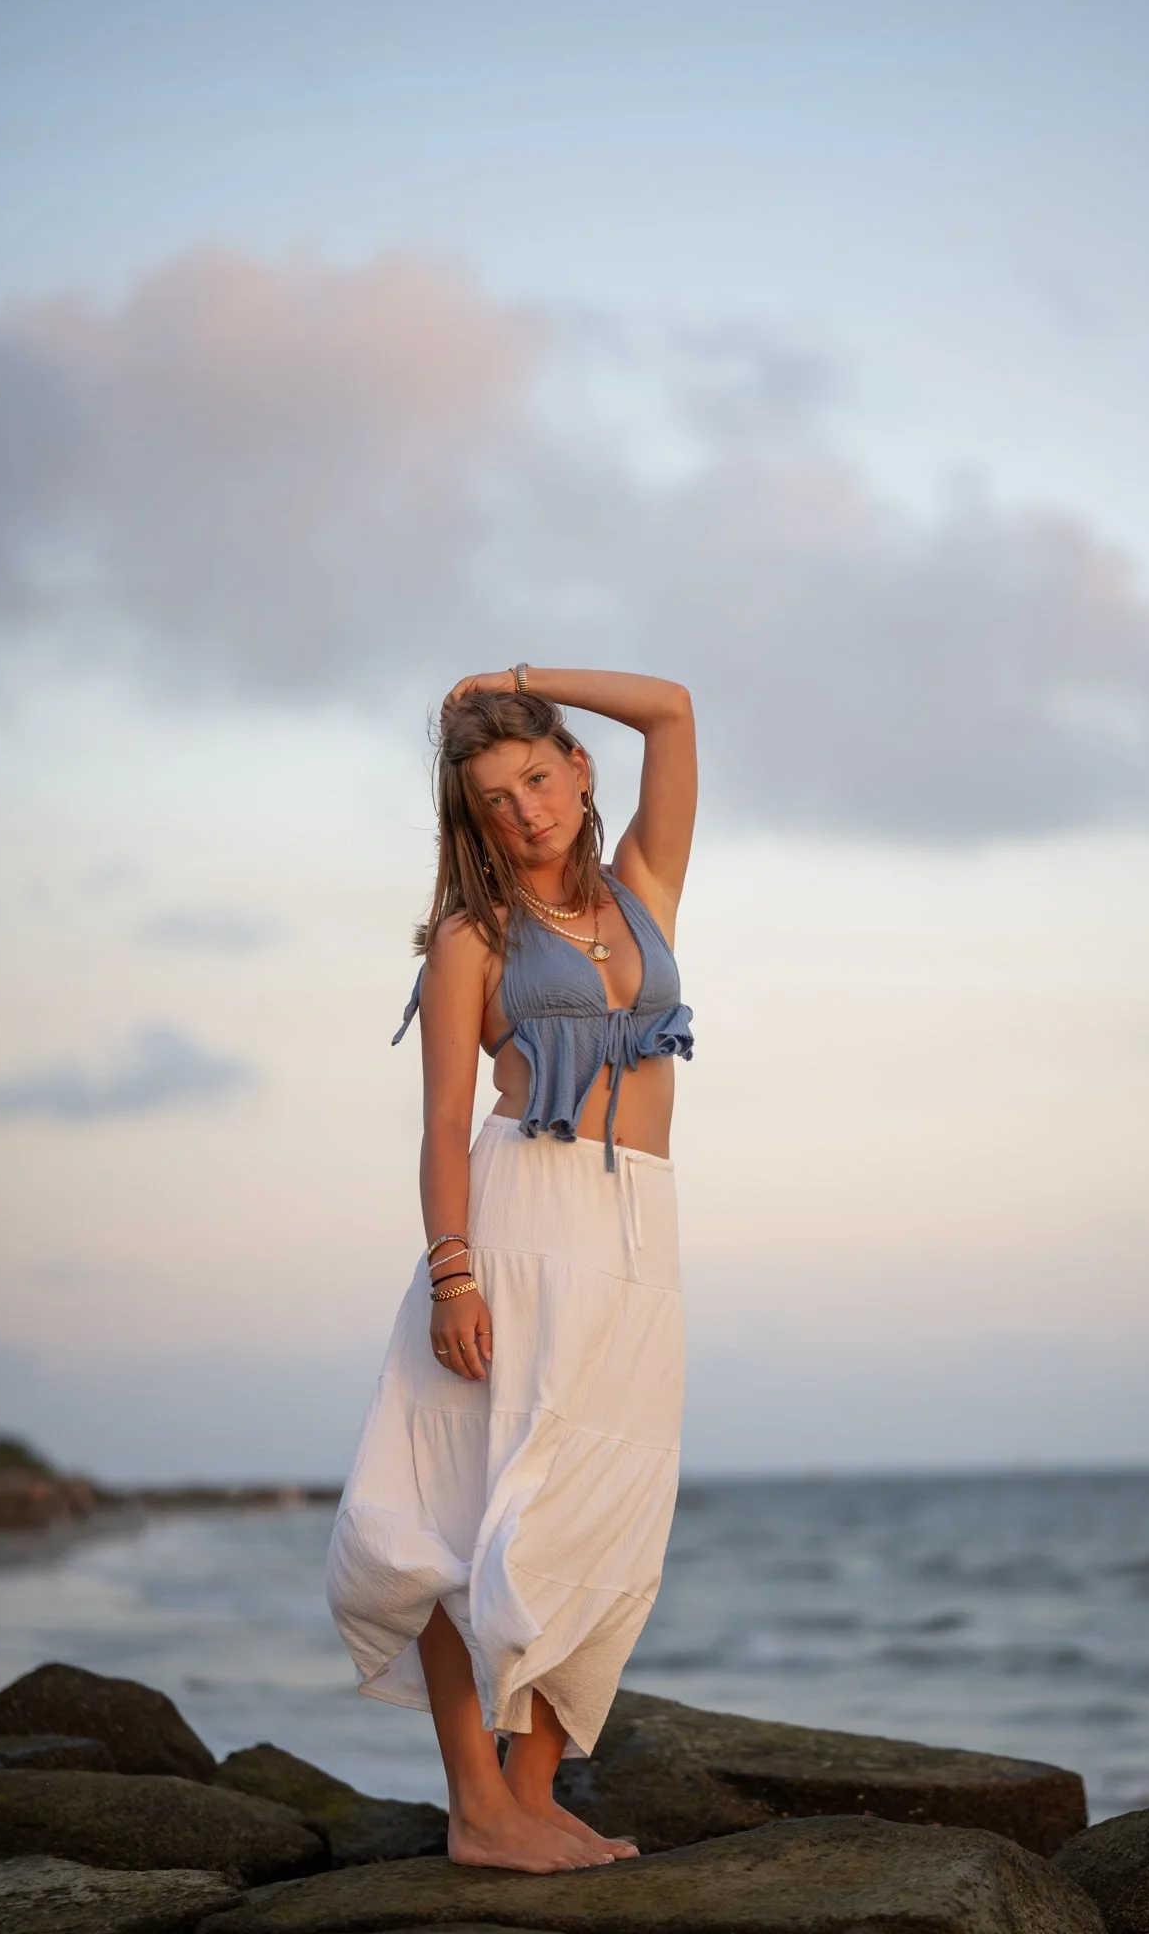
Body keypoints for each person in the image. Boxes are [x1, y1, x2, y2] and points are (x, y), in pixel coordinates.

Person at [325, 664, 697, 1873]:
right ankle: (479, 1803)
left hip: (637, 1230)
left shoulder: (642, 888)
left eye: (539, 775)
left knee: (592, 1517)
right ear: (471, 817)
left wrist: (525, 679)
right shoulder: (471, 938)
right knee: (451, 1517)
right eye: (495, 797)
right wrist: (452, 1275)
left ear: (579, 772)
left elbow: (674, 709)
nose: (525, 809)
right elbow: (440, 1123)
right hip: (516, 1223)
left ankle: (531, 1794)